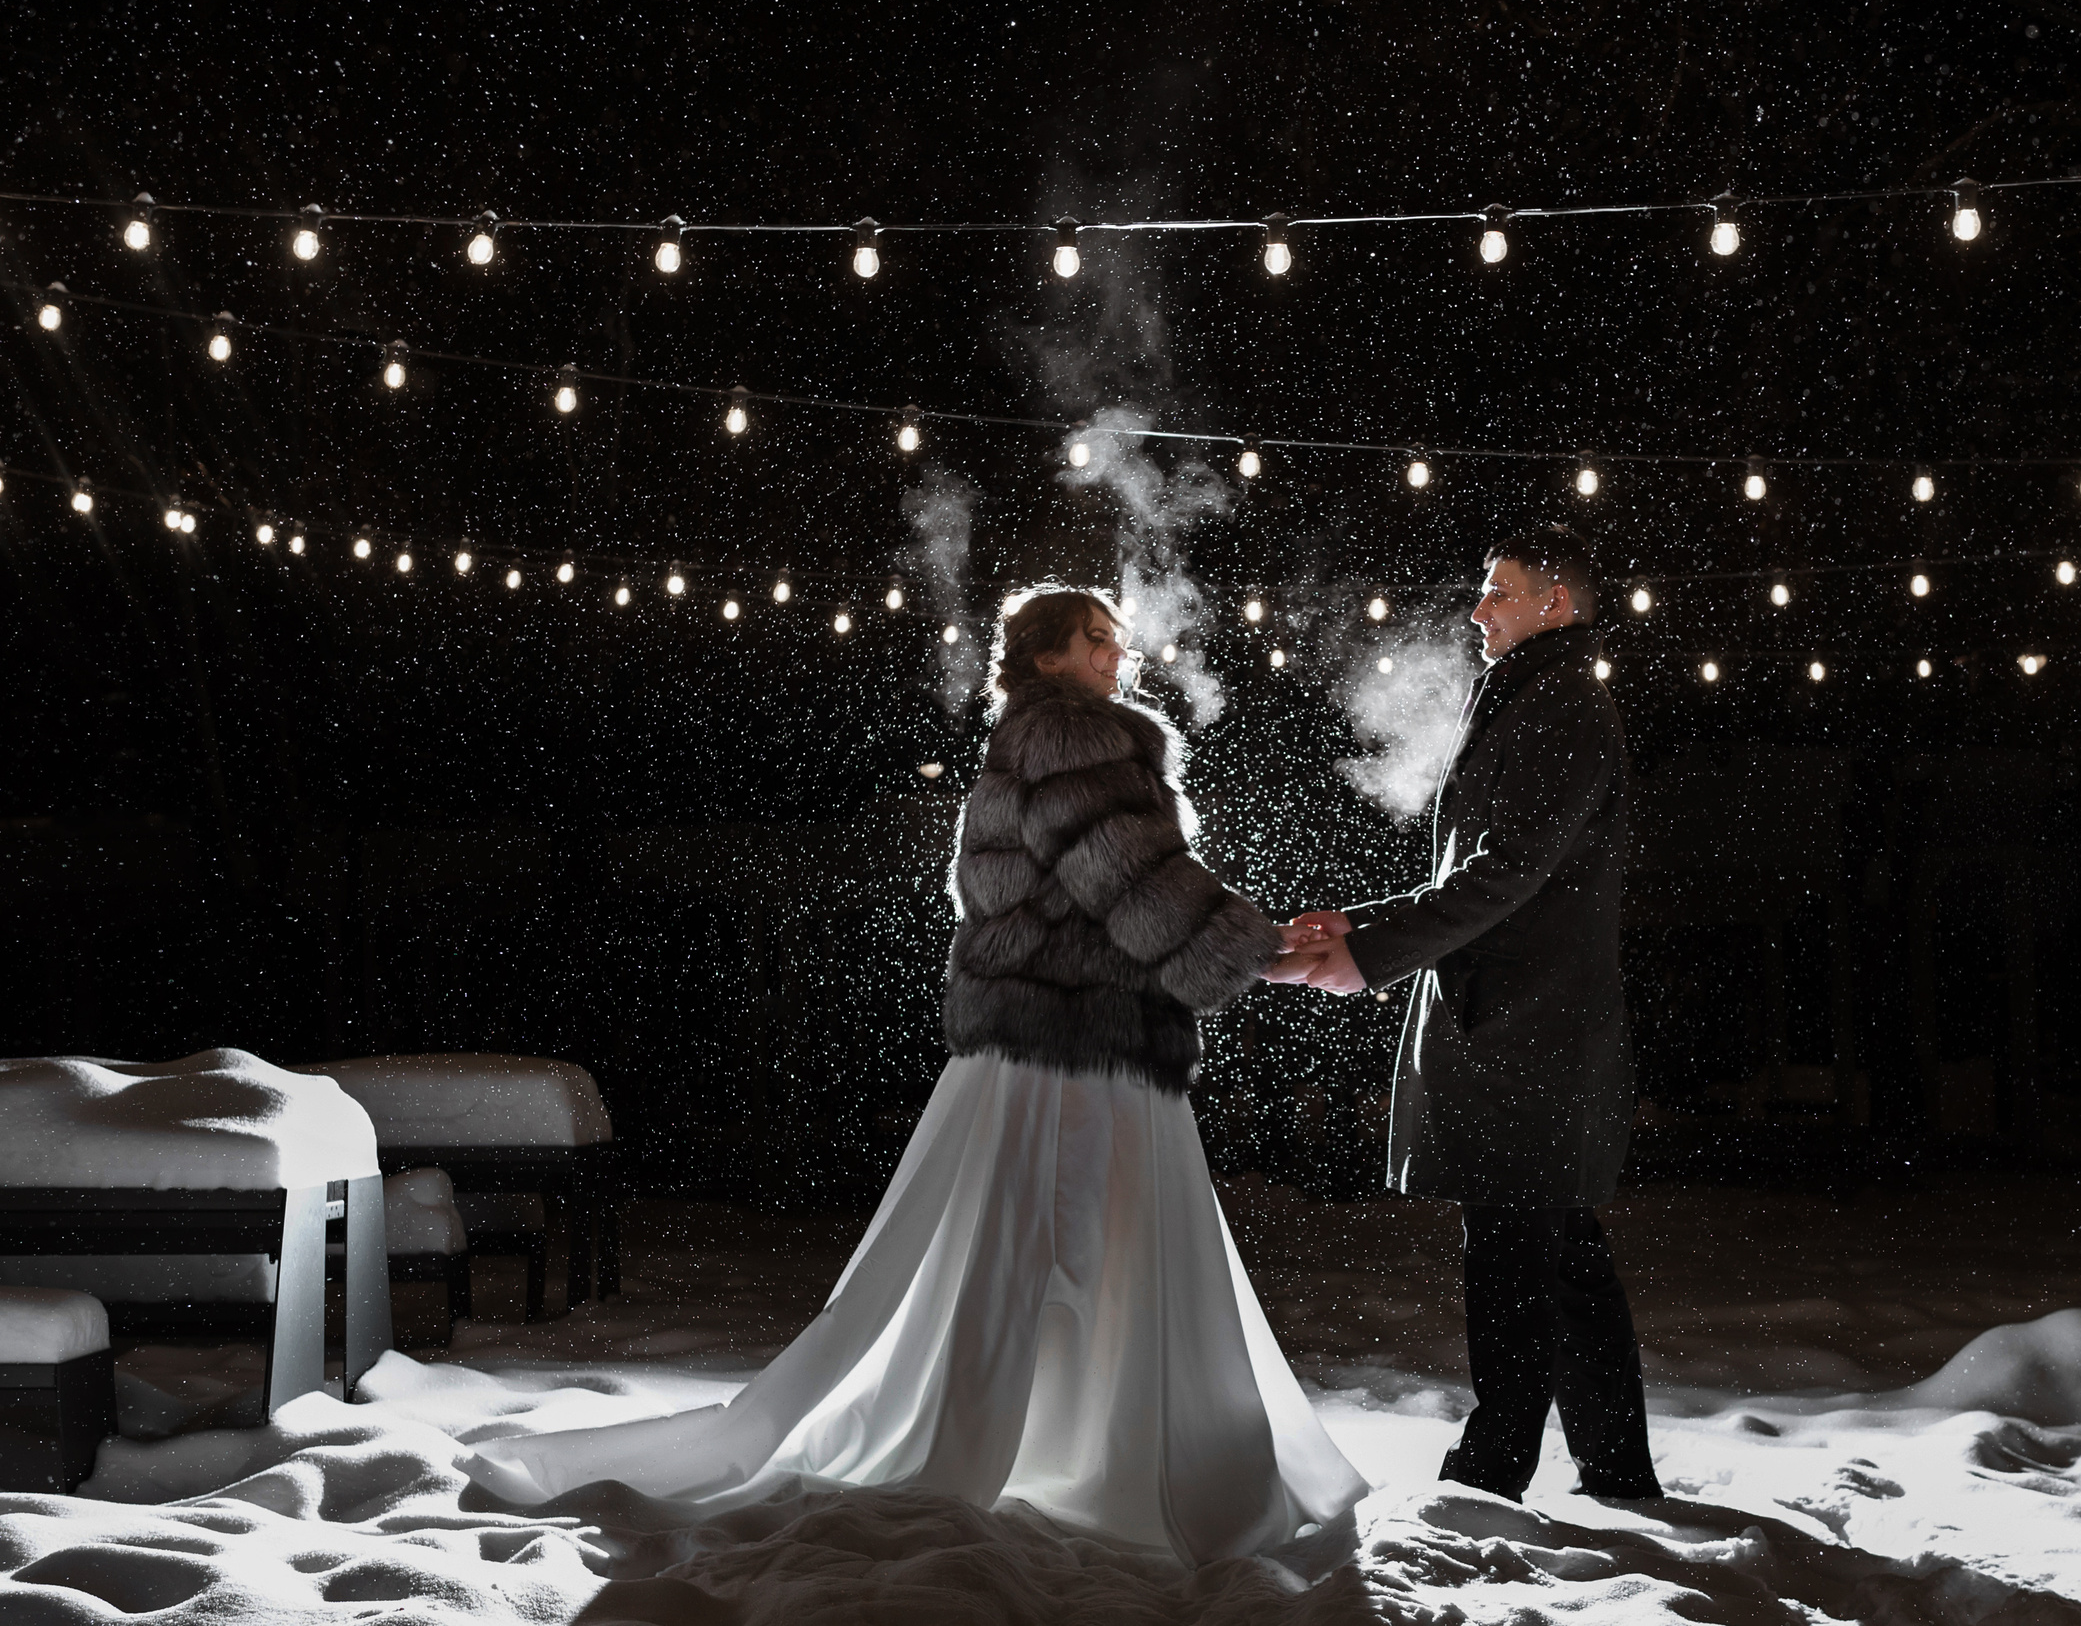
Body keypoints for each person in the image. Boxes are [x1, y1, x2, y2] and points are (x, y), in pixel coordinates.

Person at [464, 586, 1367, 1568]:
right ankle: (1107, 1453)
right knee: (1082, 1250)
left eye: (1115, 637)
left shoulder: (1025, 741)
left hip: (1047, 1040)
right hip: (1076, 1044)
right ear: (1048, 657)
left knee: (1021, 1258)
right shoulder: (1074, 739)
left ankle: (1062, 1441)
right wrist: (1260, 947)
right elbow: (1134, 880)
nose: (1117, 653)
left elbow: (1058, 889)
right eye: (1094, 638)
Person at [1280, 525, 1659, 1502]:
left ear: (1555, 606)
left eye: (1499, 589)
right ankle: (1616, 1468)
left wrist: (1366, 954)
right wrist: (1356, 925)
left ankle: (1493, 1469)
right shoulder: (1533, 699)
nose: (1477, 608)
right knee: (1554, 1252)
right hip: (1516, 1026)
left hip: (1529, 1033)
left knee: (1513, 1259)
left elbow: (1505, 875)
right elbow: (1475, 875)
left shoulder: (1565, 707)